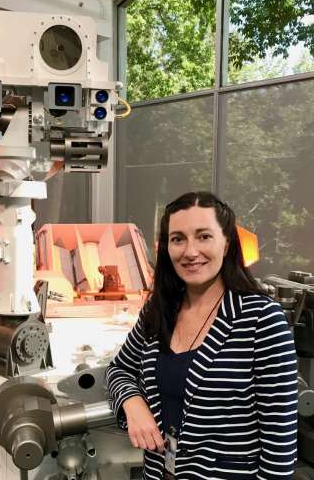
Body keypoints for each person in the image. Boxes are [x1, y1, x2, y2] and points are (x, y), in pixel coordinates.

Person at [106, 191, 297, 480]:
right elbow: (119, 369)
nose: (190, 251)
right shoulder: (159, 311)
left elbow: (279, 451)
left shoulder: (261, 320)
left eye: (204, 236)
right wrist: (132, 402)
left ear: (227, 242)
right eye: (178, 238)